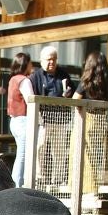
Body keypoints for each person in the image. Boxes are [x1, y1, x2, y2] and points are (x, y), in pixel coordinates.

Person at [70, 51, 108, 193]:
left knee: (82, 154)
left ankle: (84, 187)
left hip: (87, 119)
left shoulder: (86, 81)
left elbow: (75, 99)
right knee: (96, 156)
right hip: (102, 120)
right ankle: (96, 186)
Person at [29, 45, 71, 188]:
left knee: (59, 150)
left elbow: (71, 92)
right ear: (41, 61)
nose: (51, 62)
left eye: (53, 59)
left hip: (60, 119)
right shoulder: (36, 76)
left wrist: (67, 94)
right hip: (43, 119)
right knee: (40, 148)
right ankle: (40, 177)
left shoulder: (63, 74)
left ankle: (58, 179)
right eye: (48, 60)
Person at [6, 52, 35, 187]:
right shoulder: (24, 80)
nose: (31, 65)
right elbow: (31, 99)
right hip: (23, 120)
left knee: (21, 153)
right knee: (23, 155)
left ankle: (17, 183)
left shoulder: (12, 79)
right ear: (25, 64)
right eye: (30, 63)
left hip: (14, 121)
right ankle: (17, 184)